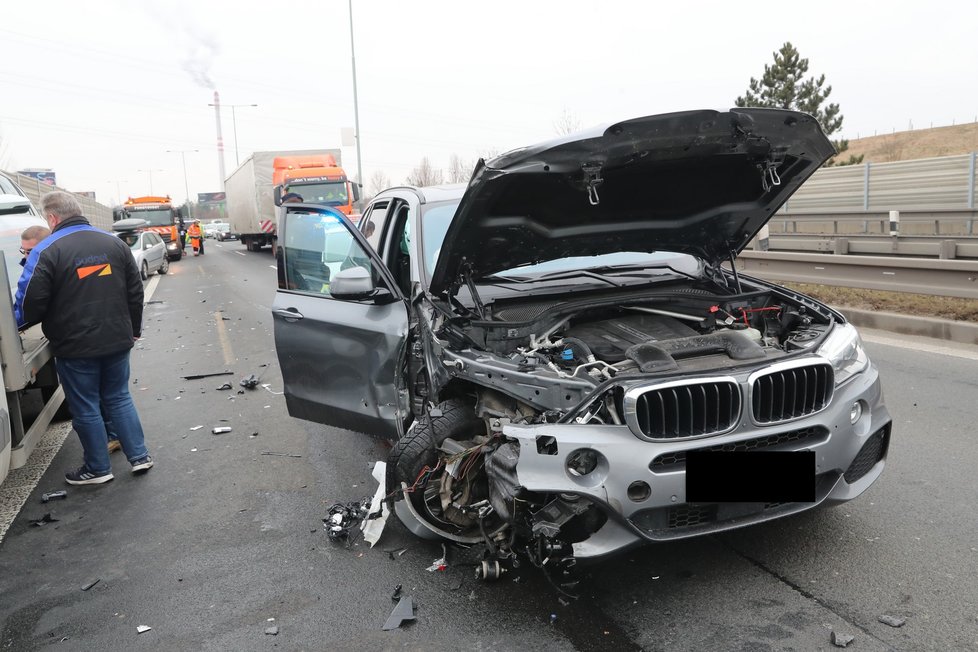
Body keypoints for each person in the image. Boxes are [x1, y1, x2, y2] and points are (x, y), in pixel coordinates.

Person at [14, 191, 152, 485]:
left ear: (52, 218)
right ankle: (140, 457)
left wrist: (14, 327)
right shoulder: (114, 243)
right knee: (119, 397)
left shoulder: (47, 250)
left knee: (85, 404)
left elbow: (30, 302)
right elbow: (135, 292)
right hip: (117, 338)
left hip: (75, 345)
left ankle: (98, 469)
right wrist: (135, 328)